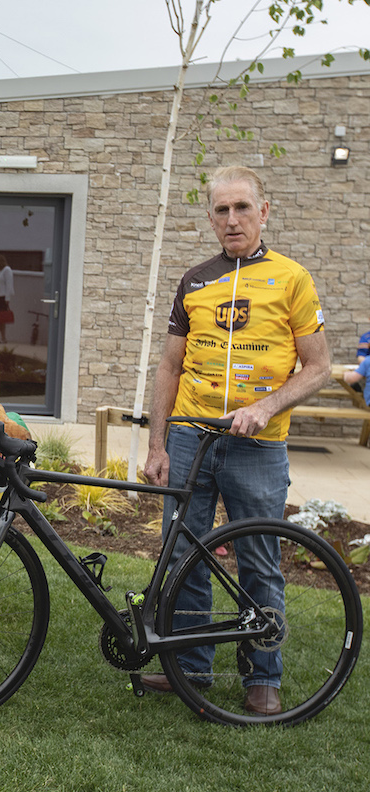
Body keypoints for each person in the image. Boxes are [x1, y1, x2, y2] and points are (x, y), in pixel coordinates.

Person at [142, 165, 331, 716]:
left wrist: (266, 405)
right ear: (210, 217)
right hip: (189, 438)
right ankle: (191, 664)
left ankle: (263, 676)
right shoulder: (195, 280)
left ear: (263, 211)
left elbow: (318, 367)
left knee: (259, 558)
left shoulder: (292, 279)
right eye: (221, 210)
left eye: (242, 208)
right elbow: (169, 367)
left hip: (258, 444)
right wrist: (157, 444)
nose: (232, 220)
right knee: (183, 554)